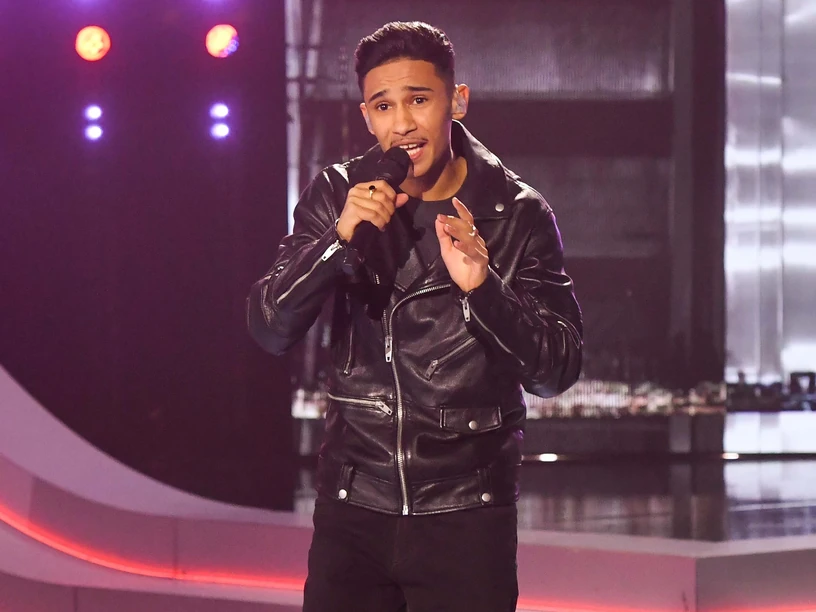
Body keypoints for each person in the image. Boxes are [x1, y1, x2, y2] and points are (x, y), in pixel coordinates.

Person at [247, 21, 582, 612]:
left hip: (466, 516)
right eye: (384, 106)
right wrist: (338, 242)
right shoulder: (338, 195)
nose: (402, 123)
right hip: (353, 511)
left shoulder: (517, 213)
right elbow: (270, 326)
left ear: (457, 101)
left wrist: (483, 287)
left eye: (419, 99)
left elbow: (556, 369)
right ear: (367, 117)